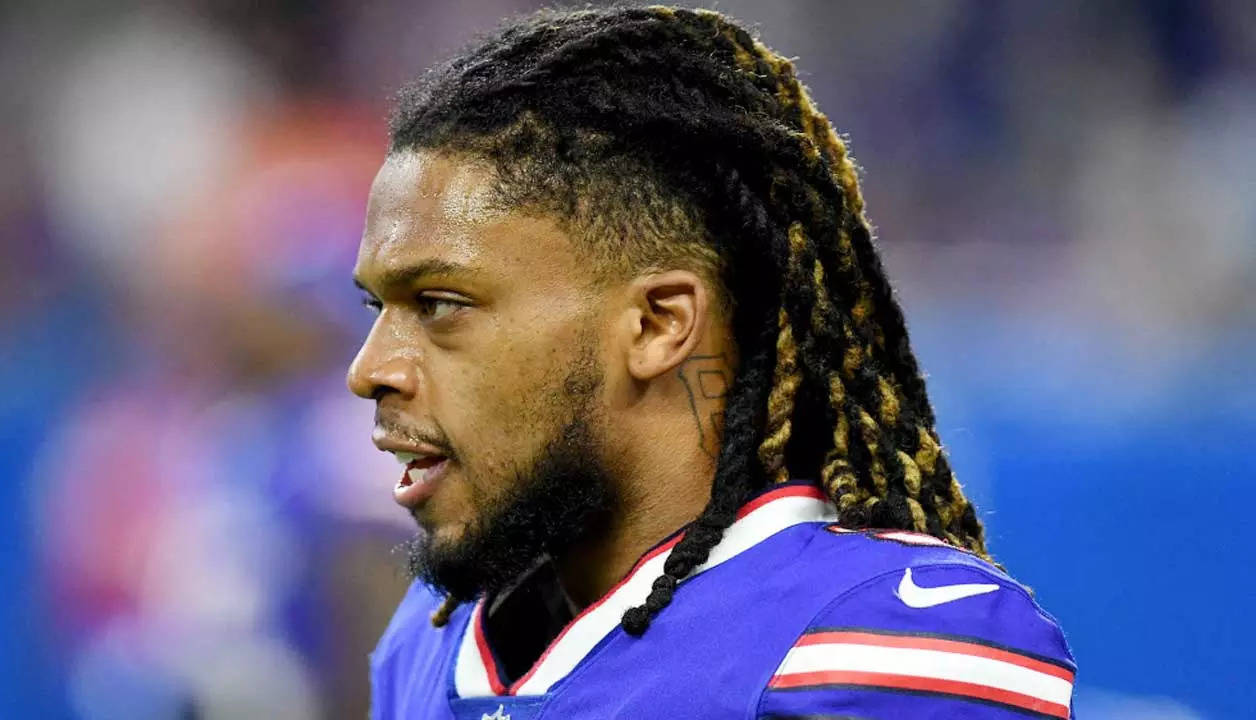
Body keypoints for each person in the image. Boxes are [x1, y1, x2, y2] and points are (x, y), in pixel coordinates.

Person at [348, 6, 1075, 719]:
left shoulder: (877, 643)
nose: (369, 370)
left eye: (440, 303)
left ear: (658, 324)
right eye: (376, 307)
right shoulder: (427, 639)